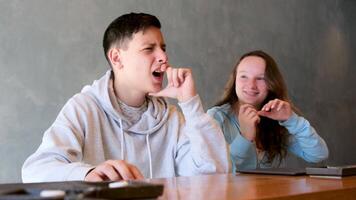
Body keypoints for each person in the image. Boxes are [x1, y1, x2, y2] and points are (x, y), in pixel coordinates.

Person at [22, 13, 229, 183]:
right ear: (116, 58)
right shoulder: (84, 107)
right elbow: (35, 171)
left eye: (163, 48)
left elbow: (212, 178)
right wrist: (87, 174)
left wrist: (190, 104)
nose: (164, 58)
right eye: (149, 49)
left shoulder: (172, 117)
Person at [207, 50, 328, 172]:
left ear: (271, 83)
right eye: (244, 76)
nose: (251, 85)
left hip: (272, 191)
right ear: (235, 80)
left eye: (260, 78)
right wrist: (245, 137)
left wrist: (291, 120)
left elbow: (318, 155)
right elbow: (216, 172)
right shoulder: (215, 118)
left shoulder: (276, 117)